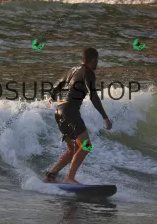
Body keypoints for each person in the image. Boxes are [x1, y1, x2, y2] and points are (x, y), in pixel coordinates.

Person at [43, 48, 112, 185]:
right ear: (93, 60)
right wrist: (105, 117)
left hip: (59, 111)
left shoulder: (73, 70)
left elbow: (58, 85)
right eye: (97, 60)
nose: (97, 63)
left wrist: (52, 95)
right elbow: (93, 96)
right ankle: (69, 178)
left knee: (73, 149)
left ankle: (51, 175)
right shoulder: (88, 72)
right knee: (86, 146)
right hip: (70, 111)